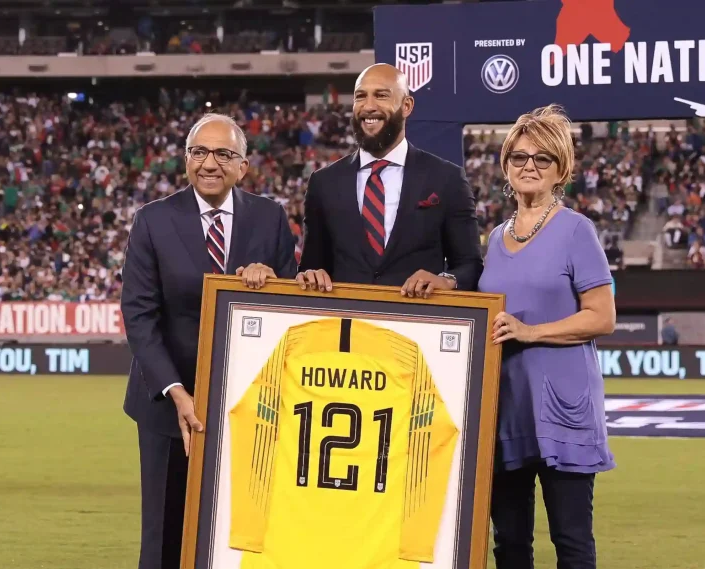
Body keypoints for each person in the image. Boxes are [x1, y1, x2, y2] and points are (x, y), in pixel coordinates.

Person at [120, 113, 298, 569]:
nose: (209, 163)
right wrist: (177, 392)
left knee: (238, 537)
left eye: (223, 153)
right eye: (199, 152)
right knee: (164, 537)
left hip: (247, 408)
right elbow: (140, 317)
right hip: (167, 407)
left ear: (243, 165)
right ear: (186, 160)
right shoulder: (153, 221)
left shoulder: (270, 218)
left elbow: (290, 312)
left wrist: (273, 282)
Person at [477, 105, 617, 569]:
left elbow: (602, 317)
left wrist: (530, 330)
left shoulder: (578, 230)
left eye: (542, 159)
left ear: (561, 169)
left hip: (563, 406)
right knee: (510, 544)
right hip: (506, 408)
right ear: (505, 166)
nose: (529, 167)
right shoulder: (494, 238)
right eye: (519, 158)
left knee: (571, 541)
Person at [296, 63, 483, 296]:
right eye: (360, 96)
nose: (369, 106)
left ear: (406, 106)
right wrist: (311, 274)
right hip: (346, 323)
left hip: (416, 324)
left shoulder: (447, 178)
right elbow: (312, 266)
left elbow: (470, 265)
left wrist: (446, 280)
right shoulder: (324, 183)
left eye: (381, 95)